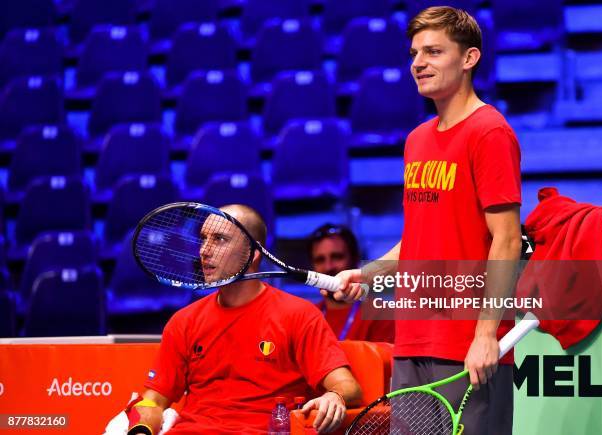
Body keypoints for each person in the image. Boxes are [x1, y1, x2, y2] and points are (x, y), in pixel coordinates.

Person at [326, 7, 522, 435]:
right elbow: (418, 241)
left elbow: (506, 240)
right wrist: (369, 273)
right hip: (412, 340)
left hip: (468, 346)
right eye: (415, 52)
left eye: (434, 51)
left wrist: (487, 334)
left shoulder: (490, 131)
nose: (418, 63)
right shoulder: (417, 140)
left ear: (469, 58)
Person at [127, 204, 362, 435]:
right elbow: (153, 401)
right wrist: (141, 428)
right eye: (203, 238)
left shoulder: (299, 315)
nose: (204, 250)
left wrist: (334, 396)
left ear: (253, 253)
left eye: (219, 239)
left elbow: (348, 387)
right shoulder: (184, 321)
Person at [307, 224, 394, 343]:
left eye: (337, 257)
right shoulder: (307, 317)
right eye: (320, 260)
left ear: (355, 260)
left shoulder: (381, 314)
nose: (328, 267)